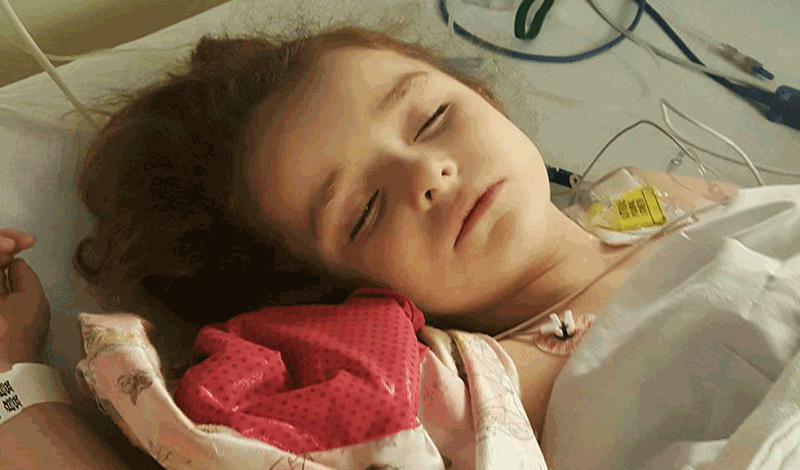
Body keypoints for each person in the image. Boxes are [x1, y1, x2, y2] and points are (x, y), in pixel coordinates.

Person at [0, 23, 742, 469]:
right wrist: (13, 375)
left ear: (476, 93)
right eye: (364, 213)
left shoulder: (661, 194)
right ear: (338, 302)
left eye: (432, 118)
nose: (428, 173)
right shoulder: (463, 399)